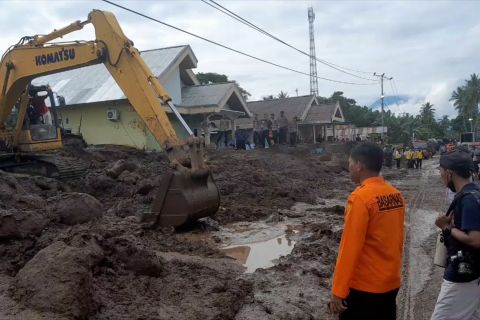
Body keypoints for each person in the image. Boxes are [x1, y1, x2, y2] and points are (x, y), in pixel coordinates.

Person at [329, 142, 405, 320]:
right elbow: (398, 239)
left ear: (359, 165)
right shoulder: (395, 194)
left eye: (350, 163)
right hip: (390, 282)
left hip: (365, 288)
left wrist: (338, 290)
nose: (348, 168)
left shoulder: (360, 198)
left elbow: (350, 248)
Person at [432, 150, 480, 320]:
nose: (441, 176)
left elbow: (475, 239)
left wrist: (447, 227)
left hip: (463, 273)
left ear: (449, 173)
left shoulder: (468, 199)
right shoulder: (474, 192)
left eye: (441, 171)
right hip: (472, 273)